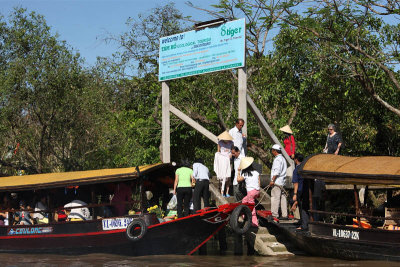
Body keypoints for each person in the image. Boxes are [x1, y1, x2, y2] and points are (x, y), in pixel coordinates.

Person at [237, 157, 260, 227]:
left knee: (252, 208)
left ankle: (254, 223)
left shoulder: (246, 174)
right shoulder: (256, 172)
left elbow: (238, 180)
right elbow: (259, 182)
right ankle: (244, 215)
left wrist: (238, 171)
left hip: (251, 192)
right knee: (244, 200)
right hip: (257, 191)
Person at [291, 153, 310, 230]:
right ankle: (304, 222)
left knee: (302, 208)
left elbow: (296, 183)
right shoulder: (305, 168)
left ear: (296, 160)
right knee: (305, 207)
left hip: (300, 191)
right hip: (307, 190)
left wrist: (295, 194)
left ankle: (304, 225)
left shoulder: (296, 170)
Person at [269, 144, 288, 221]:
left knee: (275, 198)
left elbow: (276, 171)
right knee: (283, 198)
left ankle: (274, 215)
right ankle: (284, 214)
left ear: (275, 151)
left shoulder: (277, 159)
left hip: (277, 182)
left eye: (272, 150)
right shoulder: (283, 159)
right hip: (282, 182)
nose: (272, 152)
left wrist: (272, 181)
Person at [213, 131, 233, 197]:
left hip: (228, 161)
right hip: (222, 162)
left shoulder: (231, 143)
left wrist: (231, 155)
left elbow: (233, 151)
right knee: (221, 176)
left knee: (228, 177)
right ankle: (222, 191)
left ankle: (227, 192)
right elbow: (218, 152)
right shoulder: (220, 142)